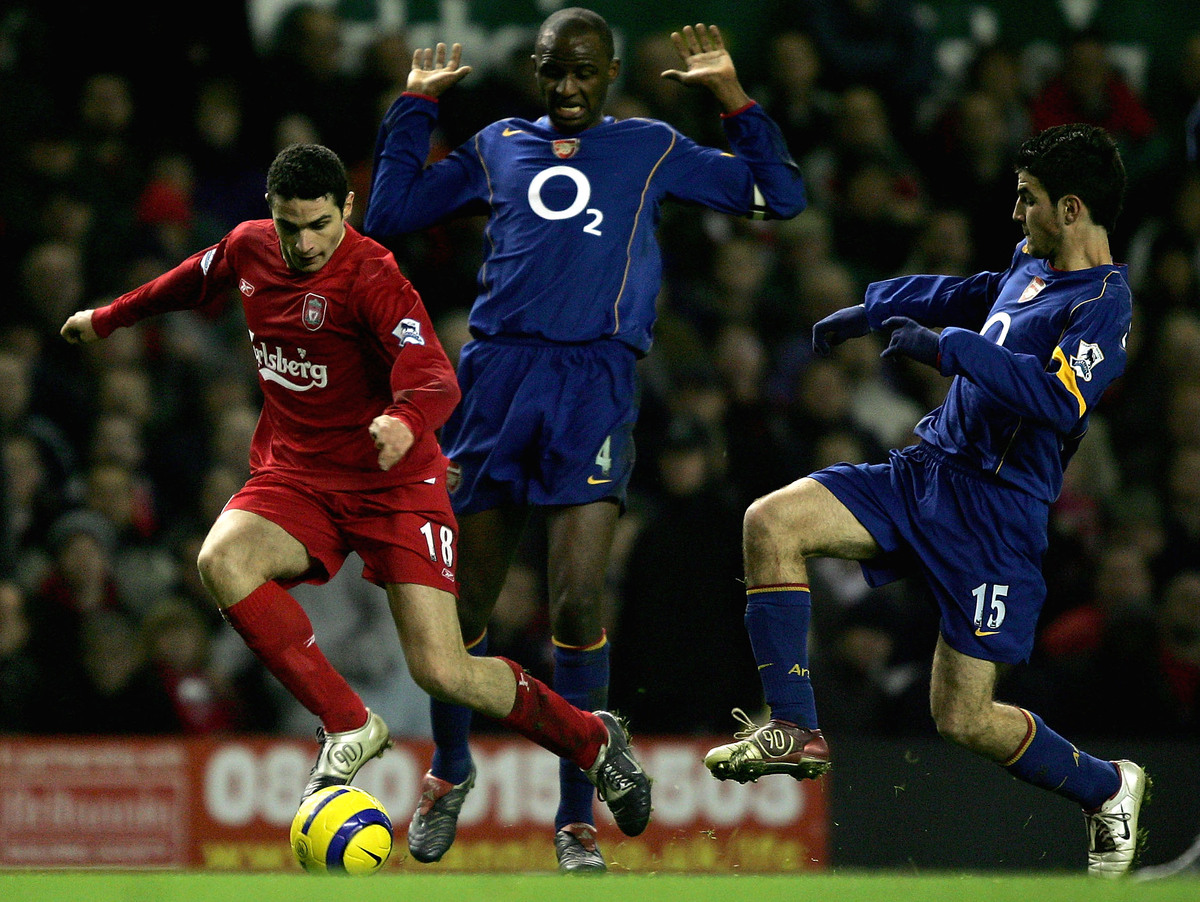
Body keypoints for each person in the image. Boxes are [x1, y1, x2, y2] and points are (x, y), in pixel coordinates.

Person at [58, 143, 651, 840]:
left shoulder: (374, 276)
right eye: (290, 227)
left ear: (347, 209)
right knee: (222, 561)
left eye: (319, 225)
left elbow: (435, 375)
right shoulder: (250, 248)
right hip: (299, 476)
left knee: (444, 670)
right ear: (270, 216)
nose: (304, 243)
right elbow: (190, 280)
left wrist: (403, 421)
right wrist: (107, 318)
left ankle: (593, 740)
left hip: (393, 485)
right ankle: (347, 723)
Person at [363, 10, 806, 872]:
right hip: (495, 384)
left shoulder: (648, 146)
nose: (566, 88)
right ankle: (451, 770)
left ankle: (574, 819)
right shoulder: (497, 143)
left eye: (582, 73)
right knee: (460, 612)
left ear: (608, 75)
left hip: (593, 387)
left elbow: (780, 196)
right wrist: (413, 106)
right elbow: (388, 213)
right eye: (552, 73)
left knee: (575, 603)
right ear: (534, 72)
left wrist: (731, 96)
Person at [703, 123, 1147, 878]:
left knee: (963, 718)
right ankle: (794, 728)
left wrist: (947, 348)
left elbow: (1057, 400)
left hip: (996, 519)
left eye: (1028, 200)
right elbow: (971, 293)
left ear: (1071, 209)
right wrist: (875, 308)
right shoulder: (1026, 263)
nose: (1016, 214)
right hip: (926, 473)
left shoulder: (1106, 304)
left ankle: (1108, 786)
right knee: (769, 522)